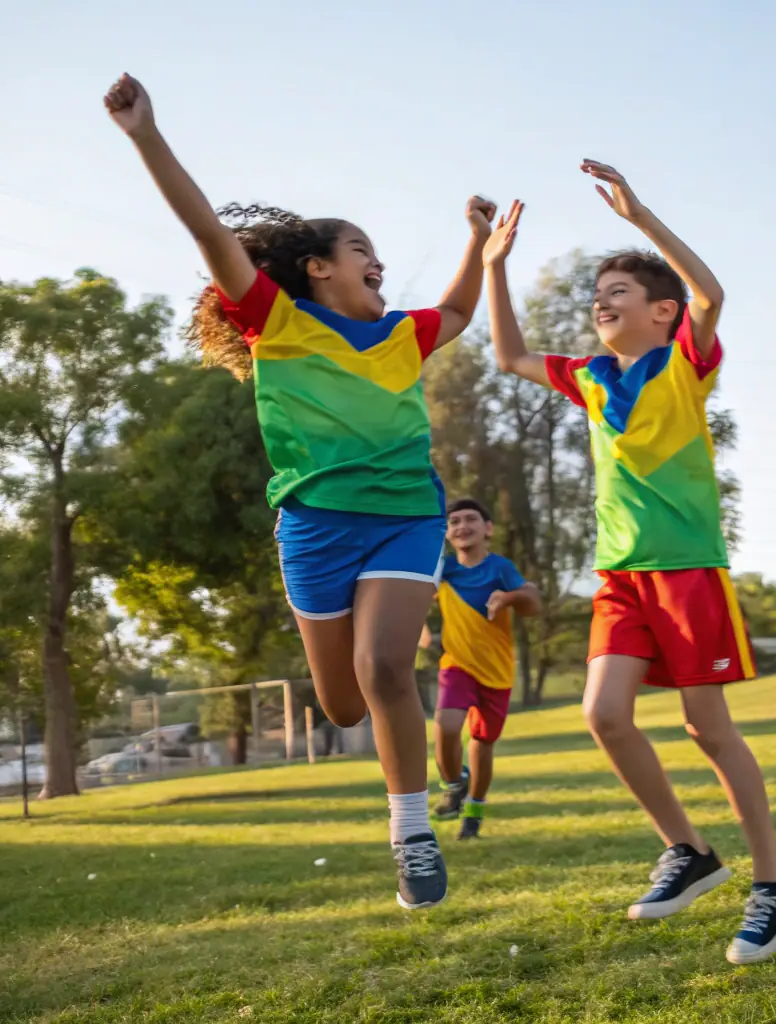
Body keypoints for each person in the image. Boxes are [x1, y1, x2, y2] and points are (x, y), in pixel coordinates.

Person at [106, 73, 505, 911]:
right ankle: (389, 772)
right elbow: (206, 228)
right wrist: (145, 136)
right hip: (314, 530)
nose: (379, 263)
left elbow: (461, 310)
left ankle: (411, 832)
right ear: (317, 267)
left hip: (404, 515)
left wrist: (477, 243)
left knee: (385, 667)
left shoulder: (402, 335)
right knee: (343, 704)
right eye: (363, 251)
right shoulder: (272, 319)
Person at [482, 174, 776, 966]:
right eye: (597, 293)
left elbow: (709, 291)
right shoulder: (591, 378)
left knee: (706, 728)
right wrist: (494, 263)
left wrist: (638, 218)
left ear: (659, 312)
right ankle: (689, 851)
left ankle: (773, 882)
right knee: (604, 716)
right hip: (621, 576)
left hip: (688, 569)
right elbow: (509, 354)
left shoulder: (685, 360)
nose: (600, 303)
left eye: (617, 291)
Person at [427, 498, 541, 839]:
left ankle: (474, 810)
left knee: (482, 742)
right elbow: (412, 595)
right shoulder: (443, 569)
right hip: (457, 664)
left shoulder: (501, 568)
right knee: (446, 725)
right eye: (455, 521)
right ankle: (453, 784)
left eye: (471, 519)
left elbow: (531, 603)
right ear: (447, 533)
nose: (462, 526)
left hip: (497, 671)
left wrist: (506, 598)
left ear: (487, 528)